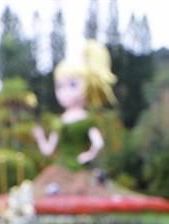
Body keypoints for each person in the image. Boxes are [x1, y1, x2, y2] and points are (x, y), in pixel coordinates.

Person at [32, 40, 116, 175]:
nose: (65, 92)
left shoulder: (86, 120)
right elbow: (48, 150)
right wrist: (40, 137)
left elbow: (98, 143)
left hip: (78, 172)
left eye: (72, 85)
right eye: (60, 86)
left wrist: (88, 155)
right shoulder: (60, 121)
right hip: (60, 172)